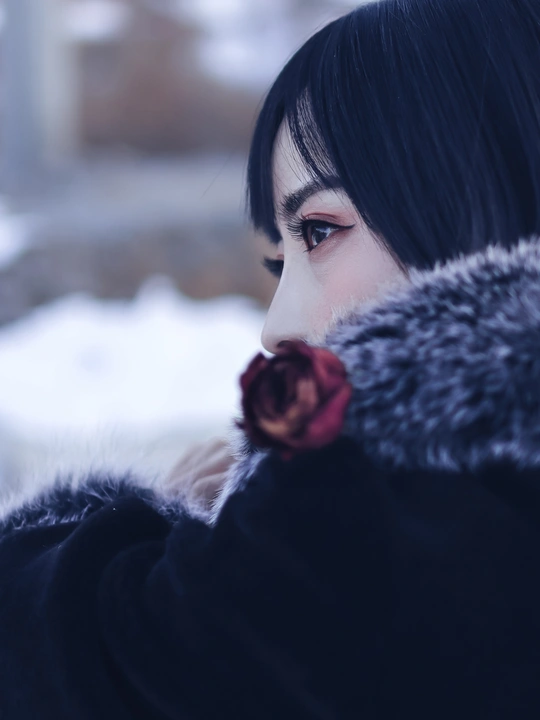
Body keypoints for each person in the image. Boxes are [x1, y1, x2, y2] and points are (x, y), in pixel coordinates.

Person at [2, 0, 540, 717]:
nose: (276, 327)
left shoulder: (374, 545)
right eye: (278, 261)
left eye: (318, 231)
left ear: (477, 199)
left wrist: (146, 529)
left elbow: (49, 659)